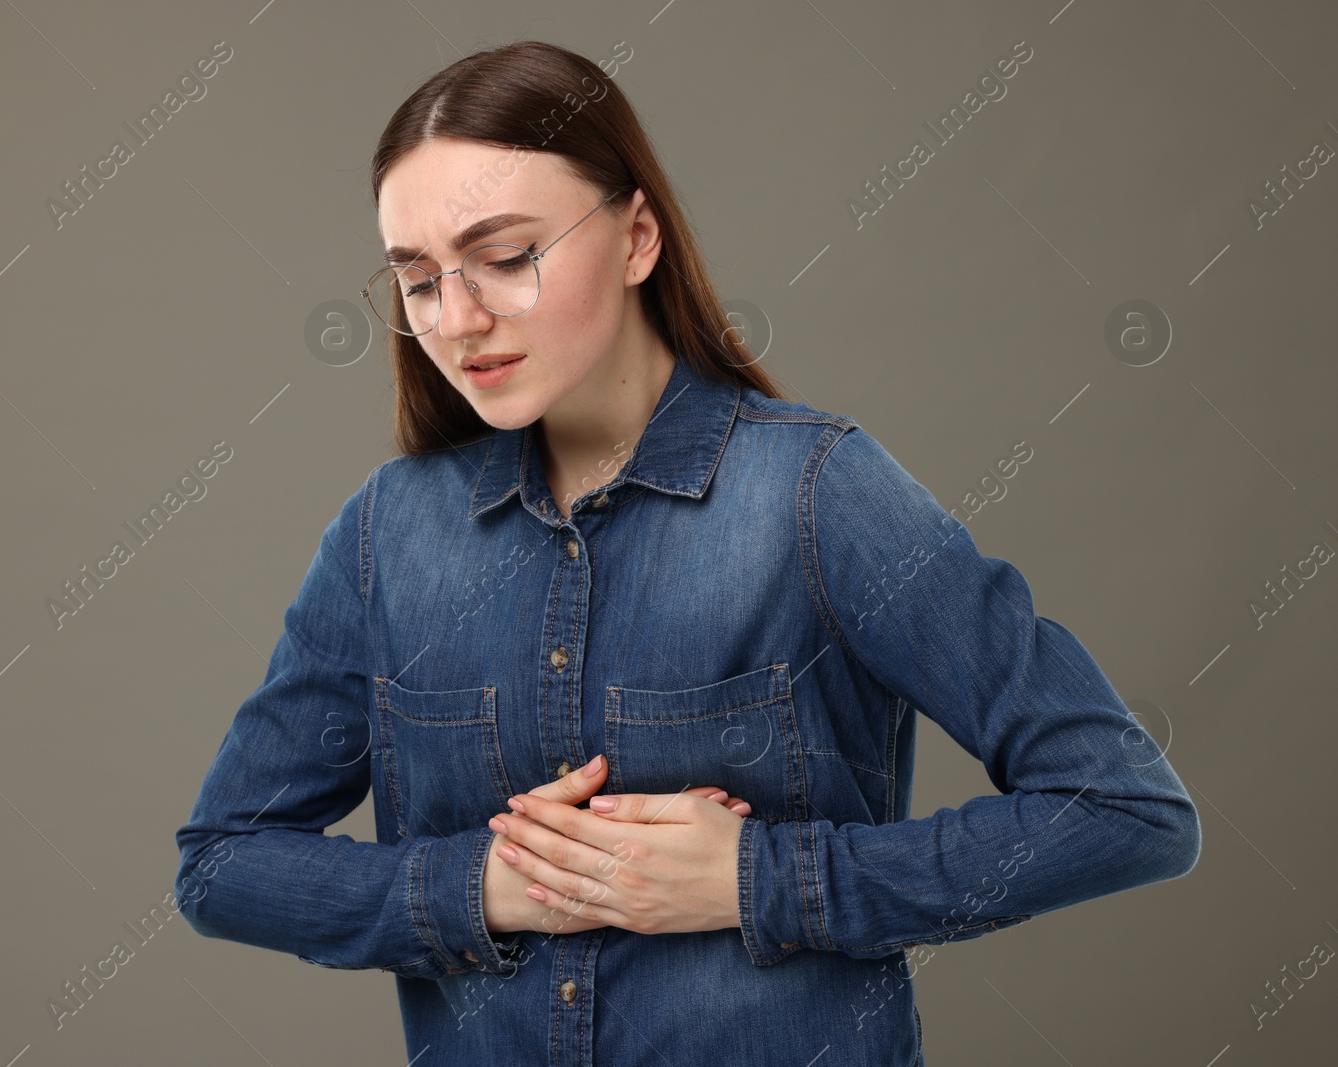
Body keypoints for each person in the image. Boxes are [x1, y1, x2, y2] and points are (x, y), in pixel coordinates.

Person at [173, 39, 1201, 1066]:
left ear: (637, 236)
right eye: (419, 279)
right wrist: (488, 887)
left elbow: (1123, 808)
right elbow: (222, 862)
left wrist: (758, 880)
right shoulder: (385, 534)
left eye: (507, 255)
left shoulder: (817, 492)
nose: (459, 318)